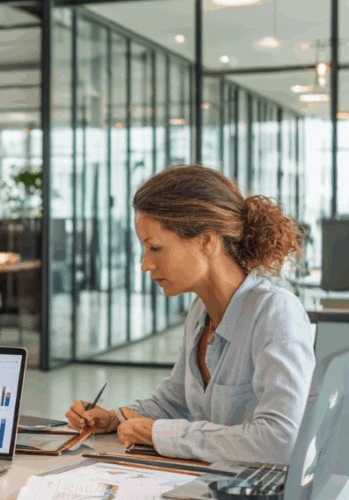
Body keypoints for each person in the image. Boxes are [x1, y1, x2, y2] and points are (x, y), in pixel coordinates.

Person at [66, 165, 314, 465]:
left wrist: (160, 434)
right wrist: (116, 418)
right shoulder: (200, 312)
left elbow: (280, 440)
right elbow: (174, 401)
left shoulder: (275, 313)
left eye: (155, 248)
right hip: (210, 480)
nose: (145, 264)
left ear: (206, 241)